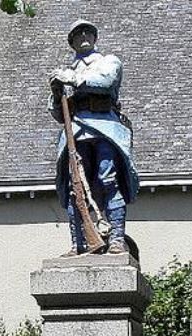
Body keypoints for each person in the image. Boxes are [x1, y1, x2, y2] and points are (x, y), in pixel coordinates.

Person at [48, 20, 139, 255]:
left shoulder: (108, 61)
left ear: (95, 37)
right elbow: (59, 114)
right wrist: (56, 92)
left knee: (108, 180)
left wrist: (73, 79)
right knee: (75, 189)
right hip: (76, 132)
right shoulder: (67, 72)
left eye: (88, 31)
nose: (84, 35)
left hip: (105, 128)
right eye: (77, 34)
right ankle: (78, 244)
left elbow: (106, 81)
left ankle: (117, 239)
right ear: (72, 42)